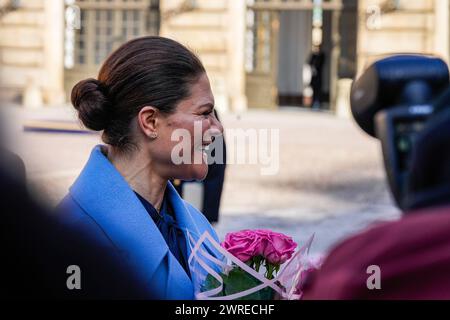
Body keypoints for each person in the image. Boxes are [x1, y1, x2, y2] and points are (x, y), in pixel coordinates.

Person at [57, 36, 224, 300]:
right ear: (151, 122)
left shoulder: (197, 224)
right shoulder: (72, 238)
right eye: (205, 114)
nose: (217, 128)